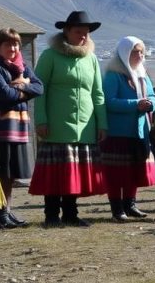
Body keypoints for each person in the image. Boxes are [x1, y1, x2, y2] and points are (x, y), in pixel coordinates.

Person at [29, 11, 108, 227]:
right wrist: (41, 120)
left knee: (75, 173)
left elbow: (98, 93)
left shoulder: (90, 58)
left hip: (85, 125)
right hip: (56, 125)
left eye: (86, 33)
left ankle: (71, 214)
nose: (83, 36)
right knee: (56, 174)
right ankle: (52, 216)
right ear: (66, 32)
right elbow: (39, 90)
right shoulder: (50, 56)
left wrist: (102, 123)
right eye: (78, 32)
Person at [0, 28, 44, 228]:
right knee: (2, 172)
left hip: (18, 127)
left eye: (16, 44)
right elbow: (4, 95)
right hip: (0, 129)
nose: (13, 48)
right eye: (8, 44)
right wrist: (24, 86)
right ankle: (0, 215)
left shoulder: (23, 66)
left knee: (11, 173)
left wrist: (20, 85)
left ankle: (7, 211)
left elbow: (39, 87)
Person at [101, 36, 155, 221]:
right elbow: (109, 102)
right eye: (135, 51)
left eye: (142, 51)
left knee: (134, 169)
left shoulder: (142, 74)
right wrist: (135, 104)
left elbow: (152, 96)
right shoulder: (113, 75)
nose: (140, 55)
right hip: (118, 132)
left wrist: (150, 104)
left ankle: (130, 204)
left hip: (139, 130)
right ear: (125, 53)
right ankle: (117, 209)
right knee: (117, 172)